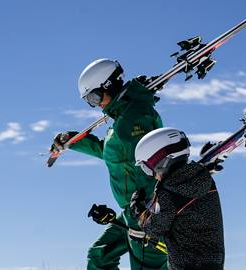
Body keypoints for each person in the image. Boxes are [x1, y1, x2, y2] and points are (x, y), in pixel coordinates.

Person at [51, 59, 167, 269]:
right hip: (132, 211)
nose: (96, 105)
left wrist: (146, 210)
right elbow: (112, 153)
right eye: (89, 101)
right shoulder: (122, 119)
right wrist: (74, 141)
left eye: (94, 97)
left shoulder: (133, 117)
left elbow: (148, 162)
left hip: (146, 212)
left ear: (108, 86)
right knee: (100, 255)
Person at [131, 127, 225, 270]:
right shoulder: (204, 179)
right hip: (214, 263)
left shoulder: (168, 192)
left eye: (147, 167)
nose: (151, 174)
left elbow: (155, 229)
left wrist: (138, 211)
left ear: (161, 161)